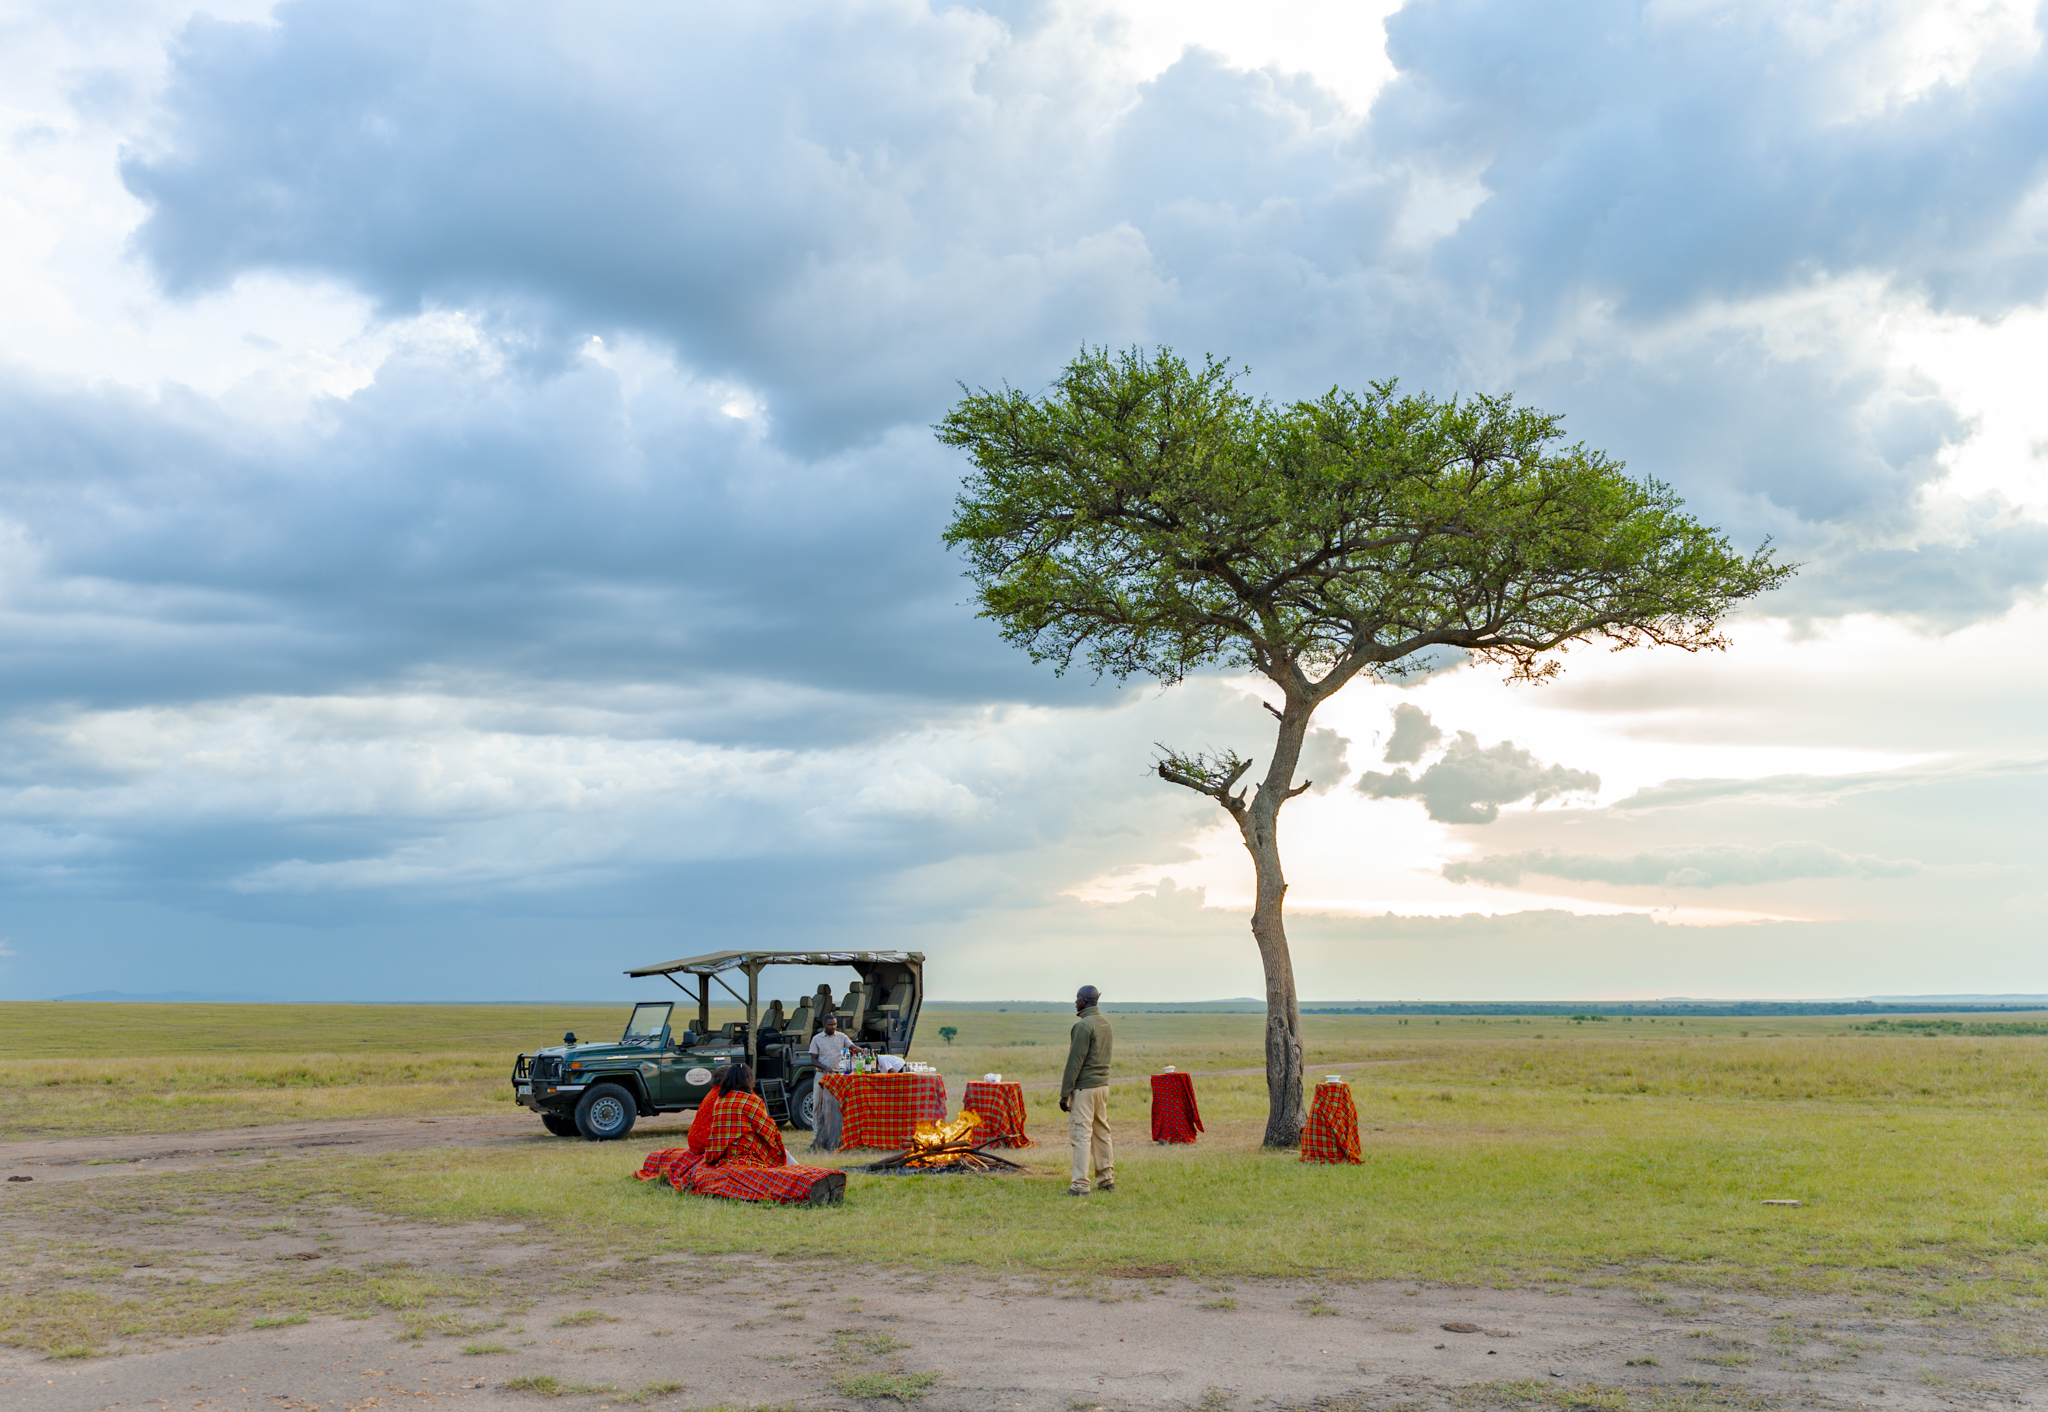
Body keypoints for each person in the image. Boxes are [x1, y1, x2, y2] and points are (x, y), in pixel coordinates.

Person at [636, 1064, 846, 1206]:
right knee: (777, 1157)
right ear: (747, 1080)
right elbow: (770, 1133)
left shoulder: (720, 1100)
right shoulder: (750, 1101)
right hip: (747, 1157)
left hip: (719, 1157)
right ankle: (803, 1173)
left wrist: (710, 1160)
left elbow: (716, 1140)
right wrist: (772, 1153)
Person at [1059, 984, 1114, 1195]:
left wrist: (1065, 1094)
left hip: (1085, 1089)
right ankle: (1106, 1180)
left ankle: (1080, 1185)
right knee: (1101, 1133)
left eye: (1076, 998)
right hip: (1102, 1086)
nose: (1075, 1002)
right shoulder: (1105, 1024)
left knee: (1081, 1136)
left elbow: (1075, 1062)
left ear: (1084, 1000)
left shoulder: (1083, 1026)